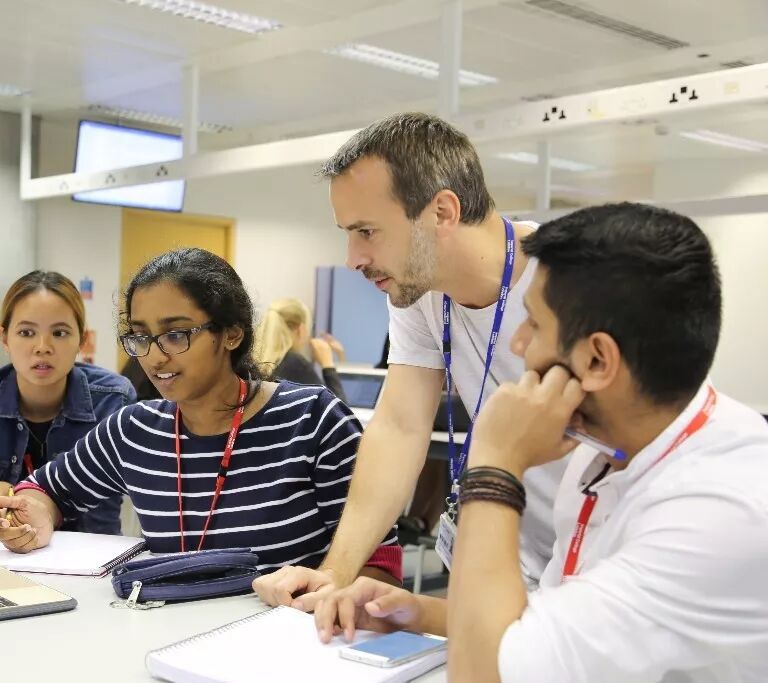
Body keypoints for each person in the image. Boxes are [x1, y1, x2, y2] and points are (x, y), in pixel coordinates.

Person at [314, 203, 768, 683]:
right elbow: (543, 621)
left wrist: (496, 465)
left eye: (533, 324)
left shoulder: (718, 511)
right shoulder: (601, 450)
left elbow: (483, 676)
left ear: (597, 360)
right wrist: (415, 613)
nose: (518, 344)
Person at [255, 112, 564, 606]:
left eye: (367, 231)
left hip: (604, 561)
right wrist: (336, 573)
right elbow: (399, 427)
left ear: (441, 212)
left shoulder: (573, 281)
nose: (353, 258)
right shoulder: (420, 291)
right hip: (513, 562)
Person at [0, 248, 402, 579]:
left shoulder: (313, 421)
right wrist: (33, 517)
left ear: (232, 333)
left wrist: (322, 599)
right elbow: (44, 489)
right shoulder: (134, 431)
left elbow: (381, 564)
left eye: (176, 334)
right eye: (141, 336)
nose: (155, 356)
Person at [0, 270, 133, 535]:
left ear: (82, 340)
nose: (42, 347)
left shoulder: (113, 400)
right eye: (26, 332)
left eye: (60, 333)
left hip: (90, 552)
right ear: (4, 338)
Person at [254, 298, 348, 402]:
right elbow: (338, 410)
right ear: (301, 329)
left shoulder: (254, 359)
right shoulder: (295, 364)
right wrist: (328, 365)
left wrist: (341, 356)